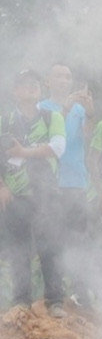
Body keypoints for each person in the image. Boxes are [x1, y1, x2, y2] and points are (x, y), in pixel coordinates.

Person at [1, 69, 66, 311]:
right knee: (17, 250)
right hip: (14, 195)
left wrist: (23, 153)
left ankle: (55, 300)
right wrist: (2, 186)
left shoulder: (52, 117)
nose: (32, 87)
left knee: (50, 246)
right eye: (25, 84)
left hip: (46, 193)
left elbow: (58, 147)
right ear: (15, 90)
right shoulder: (5, 120)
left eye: (35, 83)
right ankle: (20, 302)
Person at [38, 64, 93, 311]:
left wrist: (89, 114)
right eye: (58, 75)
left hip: (77, 182)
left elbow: (87, 140)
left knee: (79, 240)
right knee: (51, 241)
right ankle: (55, 298)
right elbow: (46, 138)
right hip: (51, 184)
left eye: (68, 76)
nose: (64, 80)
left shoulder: (80, 109)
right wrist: (68, 106)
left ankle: (81, 294)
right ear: (48, 82)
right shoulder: (41, 108)